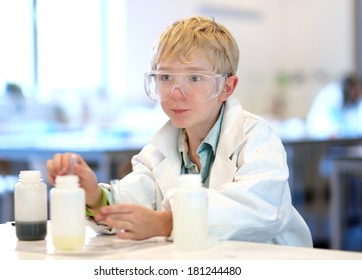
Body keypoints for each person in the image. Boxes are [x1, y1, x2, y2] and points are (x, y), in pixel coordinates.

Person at [46, 16, 312, 247]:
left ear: (227, 87)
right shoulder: (161, 150)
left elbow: (259, 210)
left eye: (194, 78)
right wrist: (94, 196)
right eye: (165, 78)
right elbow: (138, 197)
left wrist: (168, 222)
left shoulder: (256, 138)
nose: (176, 93)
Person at [306, 74, 362, 139]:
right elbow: (334, 119)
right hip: (320, 131)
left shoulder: (344, 97)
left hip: (326, 132)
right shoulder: (335, 92)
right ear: (350, 86)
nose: (357, 92)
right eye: (355, 89)